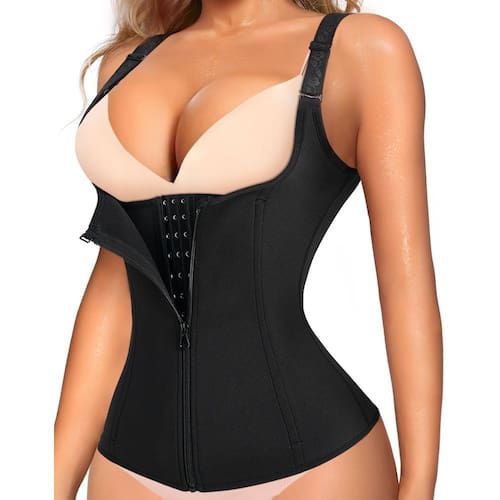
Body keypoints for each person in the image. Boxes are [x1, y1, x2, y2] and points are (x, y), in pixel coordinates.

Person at [54, 1, 442, 499]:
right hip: (126, 469)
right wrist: (54, 482)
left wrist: (419, 486)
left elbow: (406, 284)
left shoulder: (362, 50)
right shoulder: (126, 63)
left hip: (313, 470)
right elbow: (114, 291)